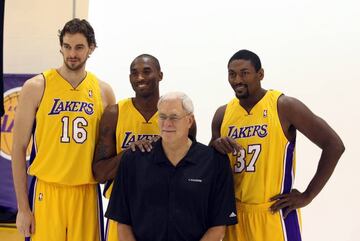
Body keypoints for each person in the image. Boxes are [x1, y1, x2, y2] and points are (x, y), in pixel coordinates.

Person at [210, 49, 345, 241]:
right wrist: (215, 145)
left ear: (260, 74)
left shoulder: (284, 106)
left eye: (244, 73)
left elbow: (334, 145)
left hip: (274, 213)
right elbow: (210, 163)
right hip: (234, 215)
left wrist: (308, 195)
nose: (237, 79)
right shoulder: (222, 114)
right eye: (232, 74)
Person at [11, 18, 115, 241]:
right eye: (67, 46)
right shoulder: (37, 87)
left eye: (79, 47)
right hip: (47, 191)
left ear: (91, 48)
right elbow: (18, 148)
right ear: (60, 47)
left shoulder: (103, 92)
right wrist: (22, 208)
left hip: (86, 193)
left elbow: (110, 152)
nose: (72, 54)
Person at [105, 92, 237, 241]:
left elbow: (218, 226)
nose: (167, 123)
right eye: (162, 117)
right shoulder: (132, 160)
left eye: (174, 117)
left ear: (189, 120)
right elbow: (122, 221)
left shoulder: (215, 162)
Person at [92, 54, 197, 241]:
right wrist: (130, 154)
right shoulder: (114, 114)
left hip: (165, 215)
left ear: (160, 75)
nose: (140, 77)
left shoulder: (179, 117)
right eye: (134, 73)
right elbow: (99, 174)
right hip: (123, 214)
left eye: (147, 71)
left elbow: (189, 169)